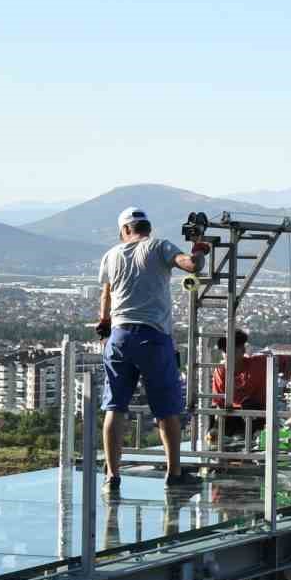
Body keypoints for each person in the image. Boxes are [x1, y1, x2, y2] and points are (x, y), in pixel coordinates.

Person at [97, 206, 209, 491]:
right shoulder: (159, 246)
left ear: (125, 230)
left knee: (115, 407)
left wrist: (105, 323)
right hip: (152, 336)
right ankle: (174, 473)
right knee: (166, 409)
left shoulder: (112, 255)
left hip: (119, 337)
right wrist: (200, 249)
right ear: (148, 228)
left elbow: (107, 294)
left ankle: (112, 475)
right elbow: (191, 265)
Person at [207, 330, 291, 447]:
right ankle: (221, 445)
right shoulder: (220, 371)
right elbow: (219, 404)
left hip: (256, 417)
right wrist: (215, 428)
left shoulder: (259, 363)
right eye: (225, 351)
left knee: (248, 403)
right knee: (210, 412)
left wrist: (283, 383)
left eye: (233, 350)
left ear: (242, 351)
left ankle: (248, 441)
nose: (228, 355)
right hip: (230, 416)